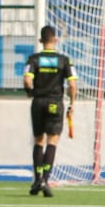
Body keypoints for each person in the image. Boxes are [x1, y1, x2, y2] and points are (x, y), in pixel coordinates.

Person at [23, 25, 78, 197]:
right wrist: (72, 105)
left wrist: (31, 93)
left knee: (39, 141)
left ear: (40, 40)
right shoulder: (64, 60)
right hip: (55, 102)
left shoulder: (33, 59)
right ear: (55, 39)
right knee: (52, 141)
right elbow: (72, 85)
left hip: (38, 102)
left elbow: (27, 81)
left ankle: (37, 179)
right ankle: (45, 180)